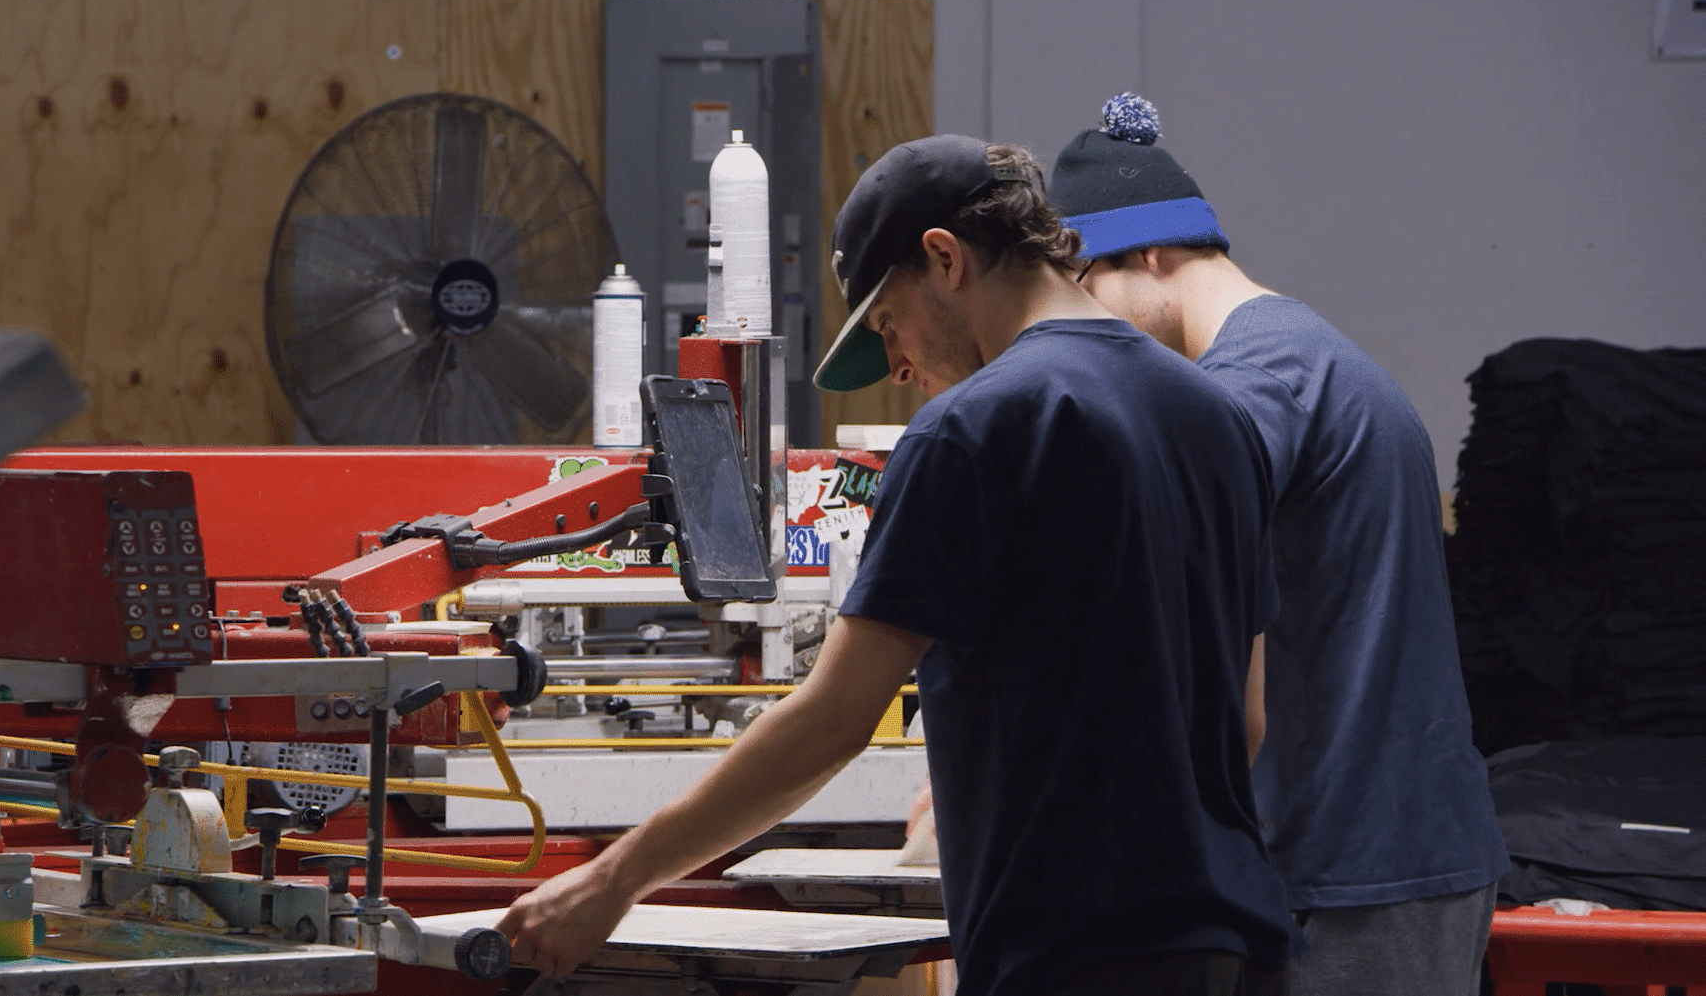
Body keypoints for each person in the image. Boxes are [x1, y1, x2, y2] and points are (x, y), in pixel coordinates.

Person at [495, 133, 1300, 996]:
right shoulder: (1219, 417)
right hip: (1238, 947)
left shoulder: (972, 430)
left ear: (946, 258)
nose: (901, 365)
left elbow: (833, 720)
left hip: (1079, 954)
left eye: (888, 325)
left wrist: (612, 881)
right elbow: (1245, 719)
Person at [1049, 92, 1509, 996]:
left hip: (1359, 872)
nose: (1093, 334)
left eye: (1088, 294)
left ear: (1151, 253)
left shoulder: (1251, 384)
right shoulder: (1306, 354)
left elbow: (1175, 610)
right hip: (1389, 849)